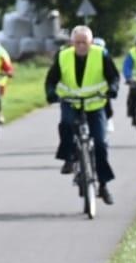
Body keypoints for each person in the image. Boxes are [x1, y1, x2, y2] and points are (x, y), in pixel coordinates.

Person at [45, 24, 119, 203]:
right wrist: (51, 94)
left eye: (84, 42)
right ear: (72, 42)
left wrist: (113, 90)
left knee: (100, 144)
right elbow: (51, 80)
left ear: (91, 42)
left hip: (95, 103)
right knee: (66, 124)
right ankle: (69, 158)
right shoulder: (63, 56)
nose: (81, 46)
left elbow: (113, 77)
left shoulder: (101, 54)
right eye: (77, 42)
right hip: (71, 101)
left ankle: (103, 185)